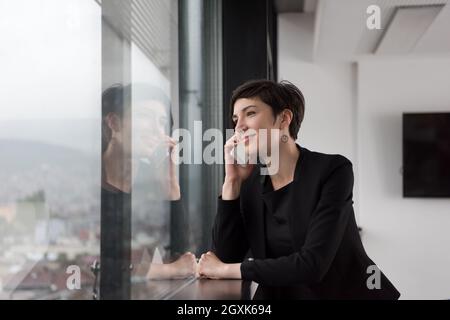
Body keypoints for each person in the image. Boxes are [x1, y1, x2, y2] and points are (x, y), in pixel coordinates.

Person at [197, 79, 401, 299]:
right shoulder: (250, 184)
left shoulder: (332, 170)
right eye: (236, 119)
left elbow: (312, 264)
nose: (239, 126)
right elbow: (224, 258)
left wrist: (227, 270)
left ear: (284, 118)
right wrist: (232, 182)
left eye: (251, 113)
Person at [101, 83, 196, 281]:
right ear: (114, 123)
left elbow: (183, 257)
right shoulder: (91, 179)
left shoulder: (150, 181)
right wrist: (166, 271)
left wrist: (170, 187)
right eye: (143, 116)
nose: (156, 130)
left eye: (162, 122)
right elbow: (93, 264)